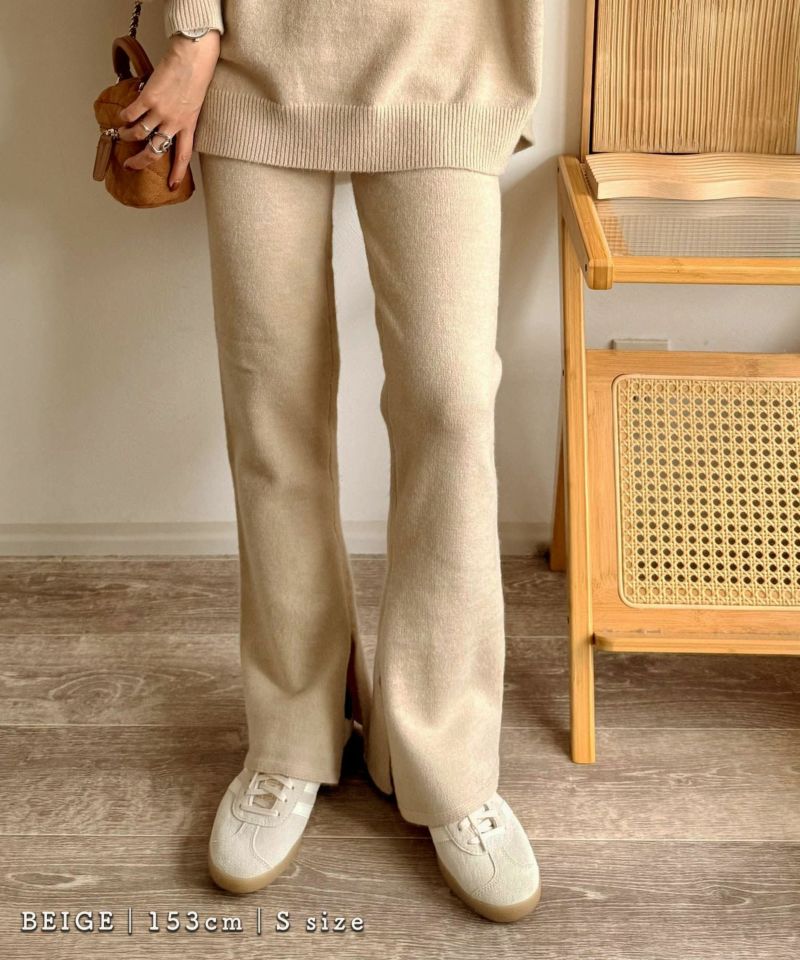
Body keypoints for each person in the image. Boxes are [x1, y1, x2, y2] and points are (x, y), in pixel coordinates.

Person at [120, 0, 545, 923]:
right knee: (269, 406)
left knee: (452, 402)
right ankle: (291, 735)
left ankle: (447, 757)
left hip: (451, 51)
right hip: (252, 55)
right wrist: (190, 27)